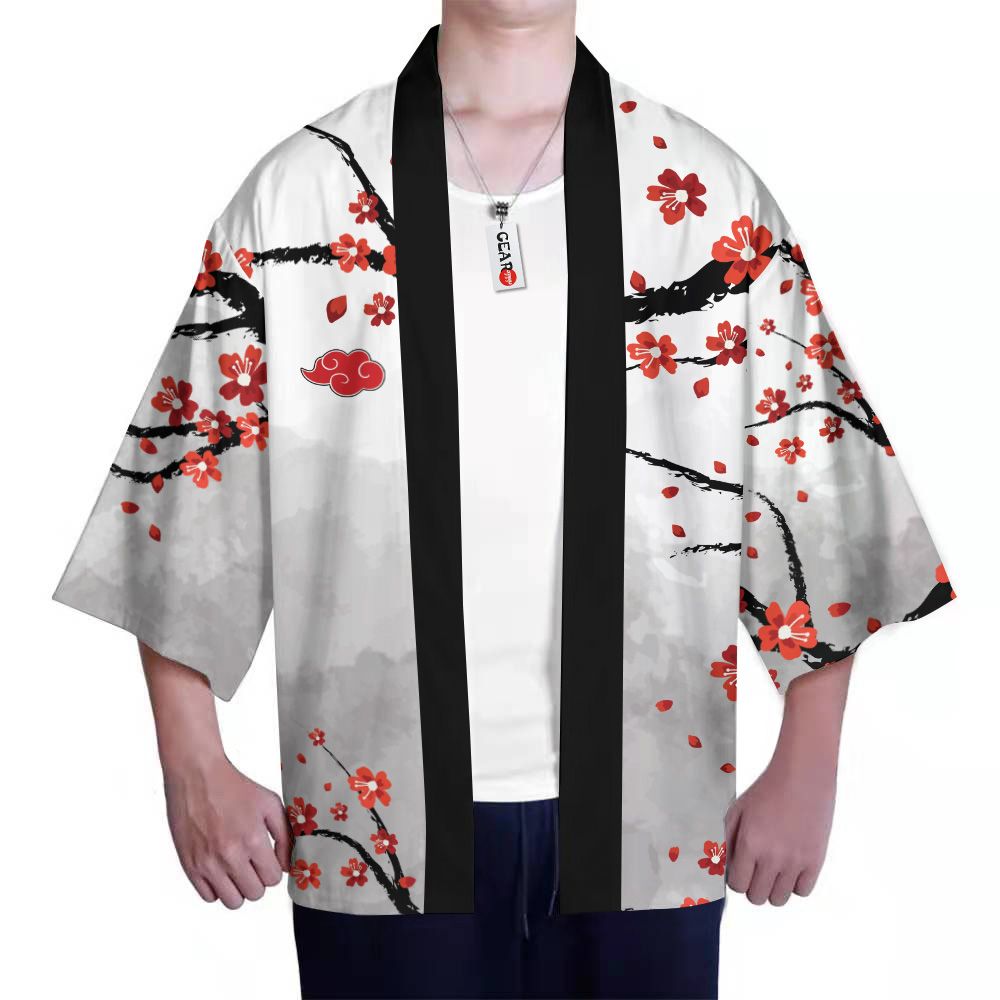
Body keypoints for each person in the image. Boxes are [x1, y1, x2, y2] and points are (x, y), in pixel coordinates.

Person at [53, 2, 956, 997]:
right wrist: (192, 763)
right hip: (375, 823)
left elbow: (817, 491)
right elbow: (187, 499)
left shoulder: (705, 196)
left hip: (649, 819)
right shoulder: (303, 194)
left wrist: (808, 761)